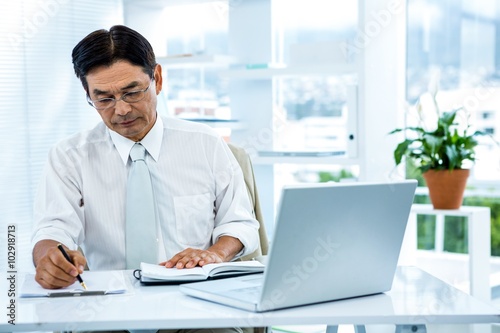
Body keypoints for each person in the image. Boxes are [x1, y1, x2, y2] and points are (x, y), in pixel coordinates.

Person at [31, 24, 260, 300]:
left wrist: (215, 253)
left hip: (196, 300)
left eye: (132, 92)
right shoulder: (69, 157)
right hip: (108, 305)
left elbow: (240, 223)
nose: (122, 109)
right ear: (88, 95)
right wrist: (50, 258)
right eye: (104, 98)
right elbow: (52, 230)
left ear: (158, 79)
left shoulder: (206, 144)